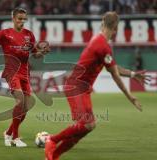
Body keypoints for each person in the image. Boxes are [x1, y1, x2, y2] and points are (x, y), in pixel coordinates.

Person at [45, 12, 150, 160]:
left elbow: (113, 68)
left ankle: (54, 155)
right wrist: (130, 96)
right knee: (87, 125)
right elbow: (115, 75)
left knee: (87, 127)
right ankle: (52, 140)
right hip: (76, 88)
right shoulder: (102, 45)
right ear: (115, 28)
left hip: (83, 89)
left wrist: (133, 74)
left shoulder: (100, 41)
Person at [0, 8, 49, 147]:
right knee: (20, 102)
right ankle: (16, 137)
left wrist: (42, 52)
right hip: (11, 71)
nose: (22, 21)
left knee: (26, 106)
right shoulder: (5, 34)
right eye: (19, 18)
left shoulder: (29, 35)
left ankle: (8, 133)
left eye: (24, 19)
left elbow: (35, 54)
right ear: (13, 18)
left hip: (25, 72)